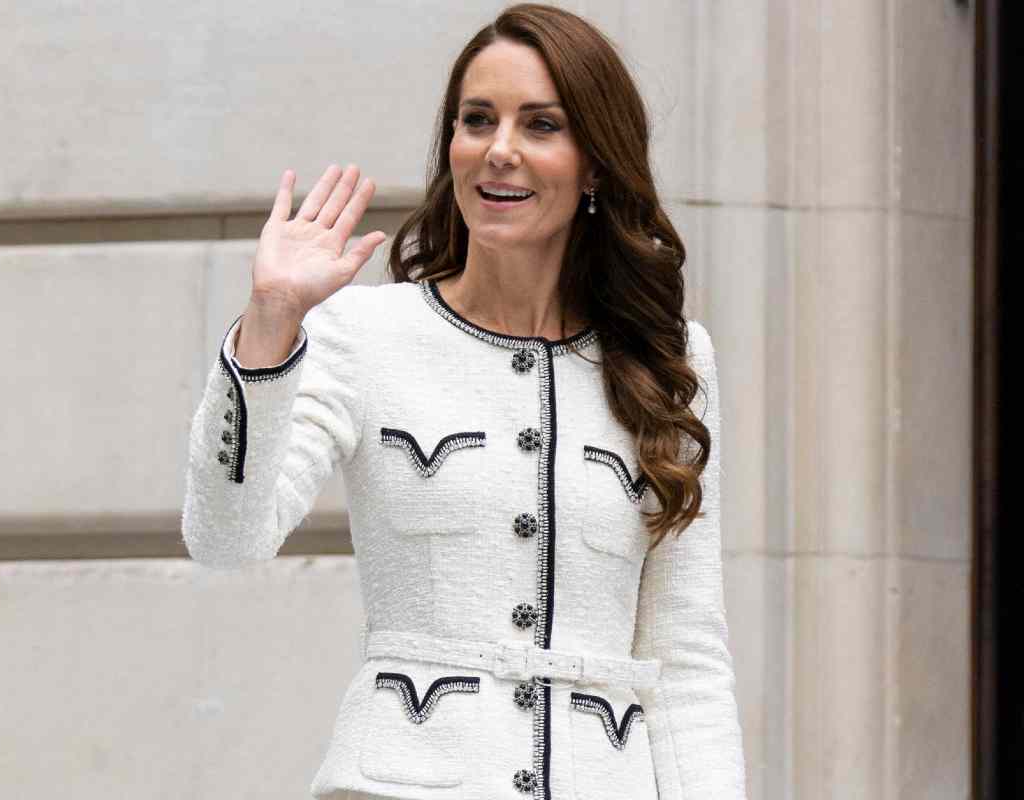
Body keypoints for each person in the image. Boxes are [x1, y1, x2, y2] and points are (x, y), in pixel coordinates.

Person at [180, 3, 748, 799]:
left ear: (595, 165)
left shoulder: (667, 360)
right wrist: (271, 321)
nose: (499, 150)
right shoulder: (363, 334)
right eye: (477, 120)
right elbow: (226, 538)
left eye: (541, 125)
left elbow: (686, 659)